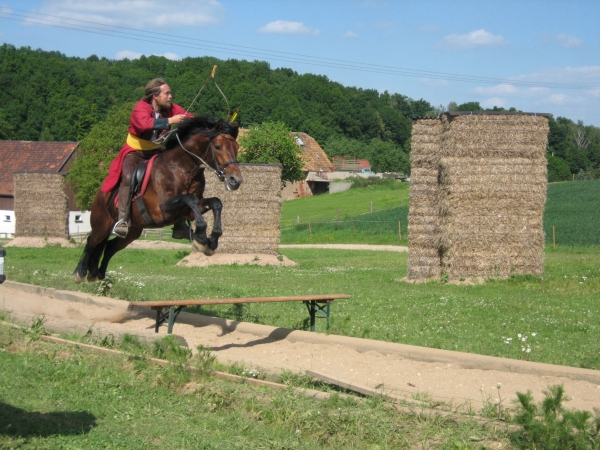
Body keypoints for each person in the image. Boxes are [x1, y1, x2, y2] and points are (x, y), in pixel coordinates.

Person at [101, 78, 193, 238]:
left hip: (156, 151)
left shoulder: (170, 108)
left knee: (176, 178)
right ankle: (122, 220)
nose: (170, 96)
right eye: (167, 93)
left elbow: (187, 115)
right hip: (136, 151)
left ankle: (179, 225)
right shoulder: (140, 107)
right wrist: (171, 121)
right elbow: (144, 124)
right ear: (155, 96)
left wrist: (202, 122)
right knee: (128, 177)